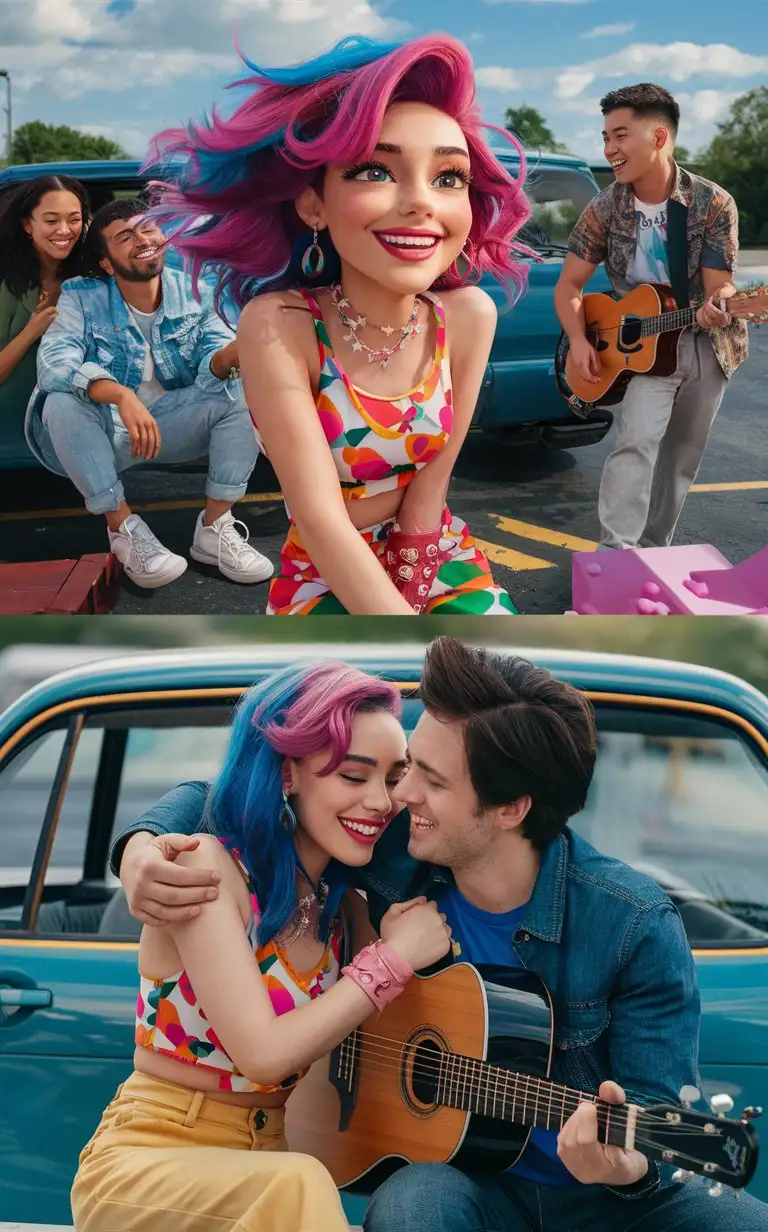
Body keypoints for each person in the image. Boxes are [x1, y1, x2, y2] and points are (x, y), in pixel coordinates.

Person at [110, 636, 768, 1232]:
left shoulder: (632, 925)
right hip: (472, 1187)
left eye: (425, 777)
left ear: (508, 810)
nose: (398, 796)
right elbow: (246, 787)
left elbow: (651, 1114)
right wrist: (138, 847)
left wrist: (622, 1166)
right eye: (406, 768)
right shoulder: (396, 845)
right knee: (412, 1202)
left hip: (610, 1204)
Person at [147, 34, 533, 615]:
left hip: (432, 545)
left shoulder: (467, 315)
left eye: (449, 178)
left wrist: (415, 571)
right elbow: (320, 520)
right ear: (313, 205)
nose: (421, 202)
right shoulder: (281, 325)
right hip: (325, 567)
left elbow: (433, 485)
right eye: (376, 170)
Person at [71, 659, 452, 1232]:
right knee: (300, 1181)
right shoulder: (208, 869)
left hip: (268, 1165)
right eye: (354, 776)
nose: (381, 802)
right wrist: (391, 959)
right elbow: (266, 1055)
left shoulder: (343, 909)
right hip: (151, 1159)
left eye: (392, 777)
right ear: (287, 774)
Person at [24, 197, 273, 589]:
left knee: (240, 386)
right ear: (106, 262)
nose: (142, 239)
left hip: (170, 426)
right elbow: (55, 362)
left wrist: (235, 354)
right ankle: (124, 531)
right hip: (102, 433)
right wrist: (121, 396)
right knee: (58, 398)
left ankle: (214, 529)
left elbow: (215, 360)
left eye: (148, 228)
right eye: (124, 236)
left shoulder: (196, 292)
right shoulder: (81, 295)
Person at [554, 83, 747, 550]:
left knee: (681, 456)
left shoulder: (712, 203)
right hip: (640, 343)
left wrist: (719, 304)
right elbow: (569, 287)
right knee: (635, 444)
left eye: (620, 136)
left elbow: (719, 283)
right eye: (605, 138)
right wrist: (580, 341)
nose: (609, 150)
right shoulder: (604, 207)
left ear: (659, 138)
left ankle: (652, 550)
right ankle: (616, 554)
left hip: (704, 340)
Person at [0, 175, 91, 453]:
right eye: (51, 221)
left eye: (74, 220)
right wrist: (31, 331)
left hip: (75, 438)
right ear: (28, 225)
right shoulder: (7, 285)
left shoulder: (89, 280)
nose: (64, 230)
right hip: (10, 440)